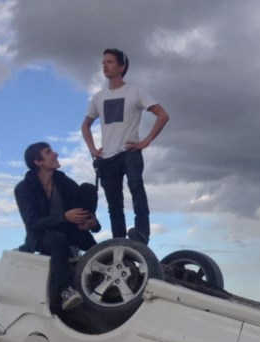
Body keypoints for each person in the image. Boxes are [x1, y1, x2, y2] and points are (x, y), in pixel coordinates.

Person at [81, 48, 170, 243]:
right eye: (103, 62)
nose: (105, 65)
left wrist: (145, 141)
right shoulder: (98, 97)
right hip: (107, 157)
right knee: (114, 204)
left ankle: (142, 233)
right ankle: (119, 242)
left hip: (130, 151)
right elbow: (85, 125)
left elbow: (163, 115)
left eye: (110, 62)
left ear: (121, 67)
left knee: (136, 185)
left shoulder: (135, 91)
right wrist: (93, 150)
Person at [15, 142, 101, 311]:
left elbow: (80, 203)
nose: (55, 154)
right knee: (57, 239)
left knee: (88, 189)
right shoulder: (23, 188)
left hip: (69, 229)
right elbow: (32, 222)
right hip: (42, 236)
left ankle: (131, 269)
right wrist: (63, 217)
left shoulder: (61, 180)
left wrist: (92, 223)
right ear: (38, 162)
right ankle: (65, 292)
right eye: (48, 152)